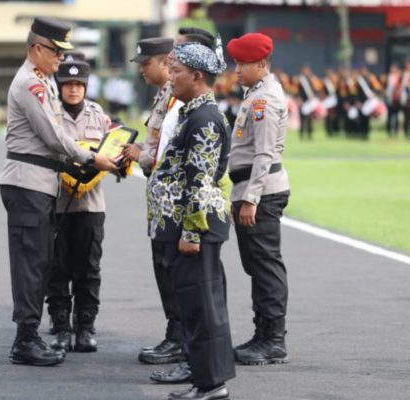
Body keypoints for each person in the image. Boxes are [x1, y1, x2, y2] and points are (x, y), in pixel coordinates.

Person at [0, 17, 116, 367]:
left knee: (40, 261)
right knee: (31, 264)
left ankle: (31, 335)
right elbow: (53, 136)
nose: (60, 59)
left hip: (39, 182)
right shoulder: (29, 85)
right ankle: (25, 339)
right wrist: (92, 157)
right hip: (27, 182)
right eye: (55, 51)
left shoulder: (42, 81)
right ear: (36, 48)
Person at [148, 38, 235, 400]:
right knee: (195, 305)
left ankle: (212, 385)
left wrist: (191, 233)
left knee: (201, 307)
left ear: (197, 76)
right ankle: (204, 381)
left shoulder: (205, 118)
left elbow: (199, 180)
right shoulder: (191, 112)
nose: (171, 78)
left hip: (194, 230)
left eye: (177, 71)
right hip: (184, 226)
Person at [122, 37, 188, 367]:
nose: (142, 70)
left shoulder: (177, 98)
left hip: (172, 199)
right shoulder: (164, 95)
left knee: (171, 268)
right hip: (158, 197)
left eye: (146, 64)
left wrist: (140, 155)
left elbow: (167, 151)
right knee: (162, 266)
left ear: (164, 63)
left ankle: (179, 337)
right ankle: (175, 334)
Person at [226, 32, 291, 366]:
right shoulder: (256, 94)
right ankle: (263, 334)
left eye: (243, 63)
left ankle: (272, 341)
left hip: (261, 192)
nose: (236, 69)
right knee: (257, 266)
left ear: (261, 64)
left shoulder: (265, 100)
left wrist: (250, 199)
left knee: (265, 266)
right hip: (250, 189)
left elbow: (265, 154)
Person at [45, 59, 112, 353]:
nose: (73, 90)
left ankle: (85, 327)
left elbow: (112, 152)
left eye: (78, 84)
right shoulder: (49, 114)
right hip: (58, 203)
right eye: (68, 84)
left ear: (85, 86)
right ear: (59, 86)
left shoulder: (98, 116)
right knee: (57, 269)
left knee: (88, 269)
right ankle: (61, 328)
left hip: (91, 206)